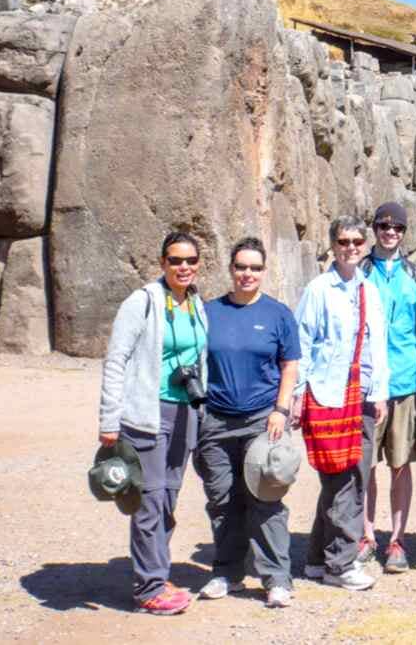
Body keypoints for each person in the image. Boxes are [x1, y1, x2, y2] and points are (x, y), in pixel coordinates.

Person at [98, 231, 210, 615]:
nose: (184, 267)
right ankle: (149, 589)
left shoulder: (195, 303)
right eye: (176, 260)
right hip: (147, 414)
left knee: (168, 499)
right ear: (162, 263)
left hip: (184, 414)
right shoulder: (142, 302)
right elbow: (116, 360)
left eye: (191, 261)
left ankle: (157, 573)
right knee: (148, 501)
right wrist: (109, 420)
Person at [195, 237, 300, 607]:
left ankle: (276, 579)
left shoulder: (278, 314)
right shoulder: (209, 312)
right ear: (231, 269)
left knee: (266, 498)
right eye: (241, 267)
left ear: (263, 271)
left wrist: (281, 410)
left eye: (255, 268)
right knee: (222, 500)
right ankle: (227, 573)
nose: (247, 274)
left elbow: (290, 365)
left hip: (262, 420)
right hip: (217, 421)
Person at [294, 217, 389, 591]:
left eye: (357, 241)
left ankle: (318, 559)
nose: (351, 247)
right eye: (343, 241)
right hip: (328, 394)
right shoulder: (318, 290)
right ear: (333, 245)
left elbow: (376, 346)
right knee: (343, 481)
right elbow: (301, 344)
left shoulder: (369, 289)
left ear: (365, 244)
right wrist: (298, 394)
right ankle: (341, 564)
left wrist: (379, 391)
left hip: (362, 395)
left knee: (349, 479)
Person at [357, 201, 416, 573]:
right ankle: (366, 535)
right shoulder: (358, 271)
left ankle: (397, 540)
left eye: (397, 227)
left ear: (404, 232)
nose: (390, 232)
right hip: (366, 384)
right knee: (365, 464)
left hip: (403, 381)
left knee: (400, 463)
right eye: (383, 225)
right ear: (374, 229)